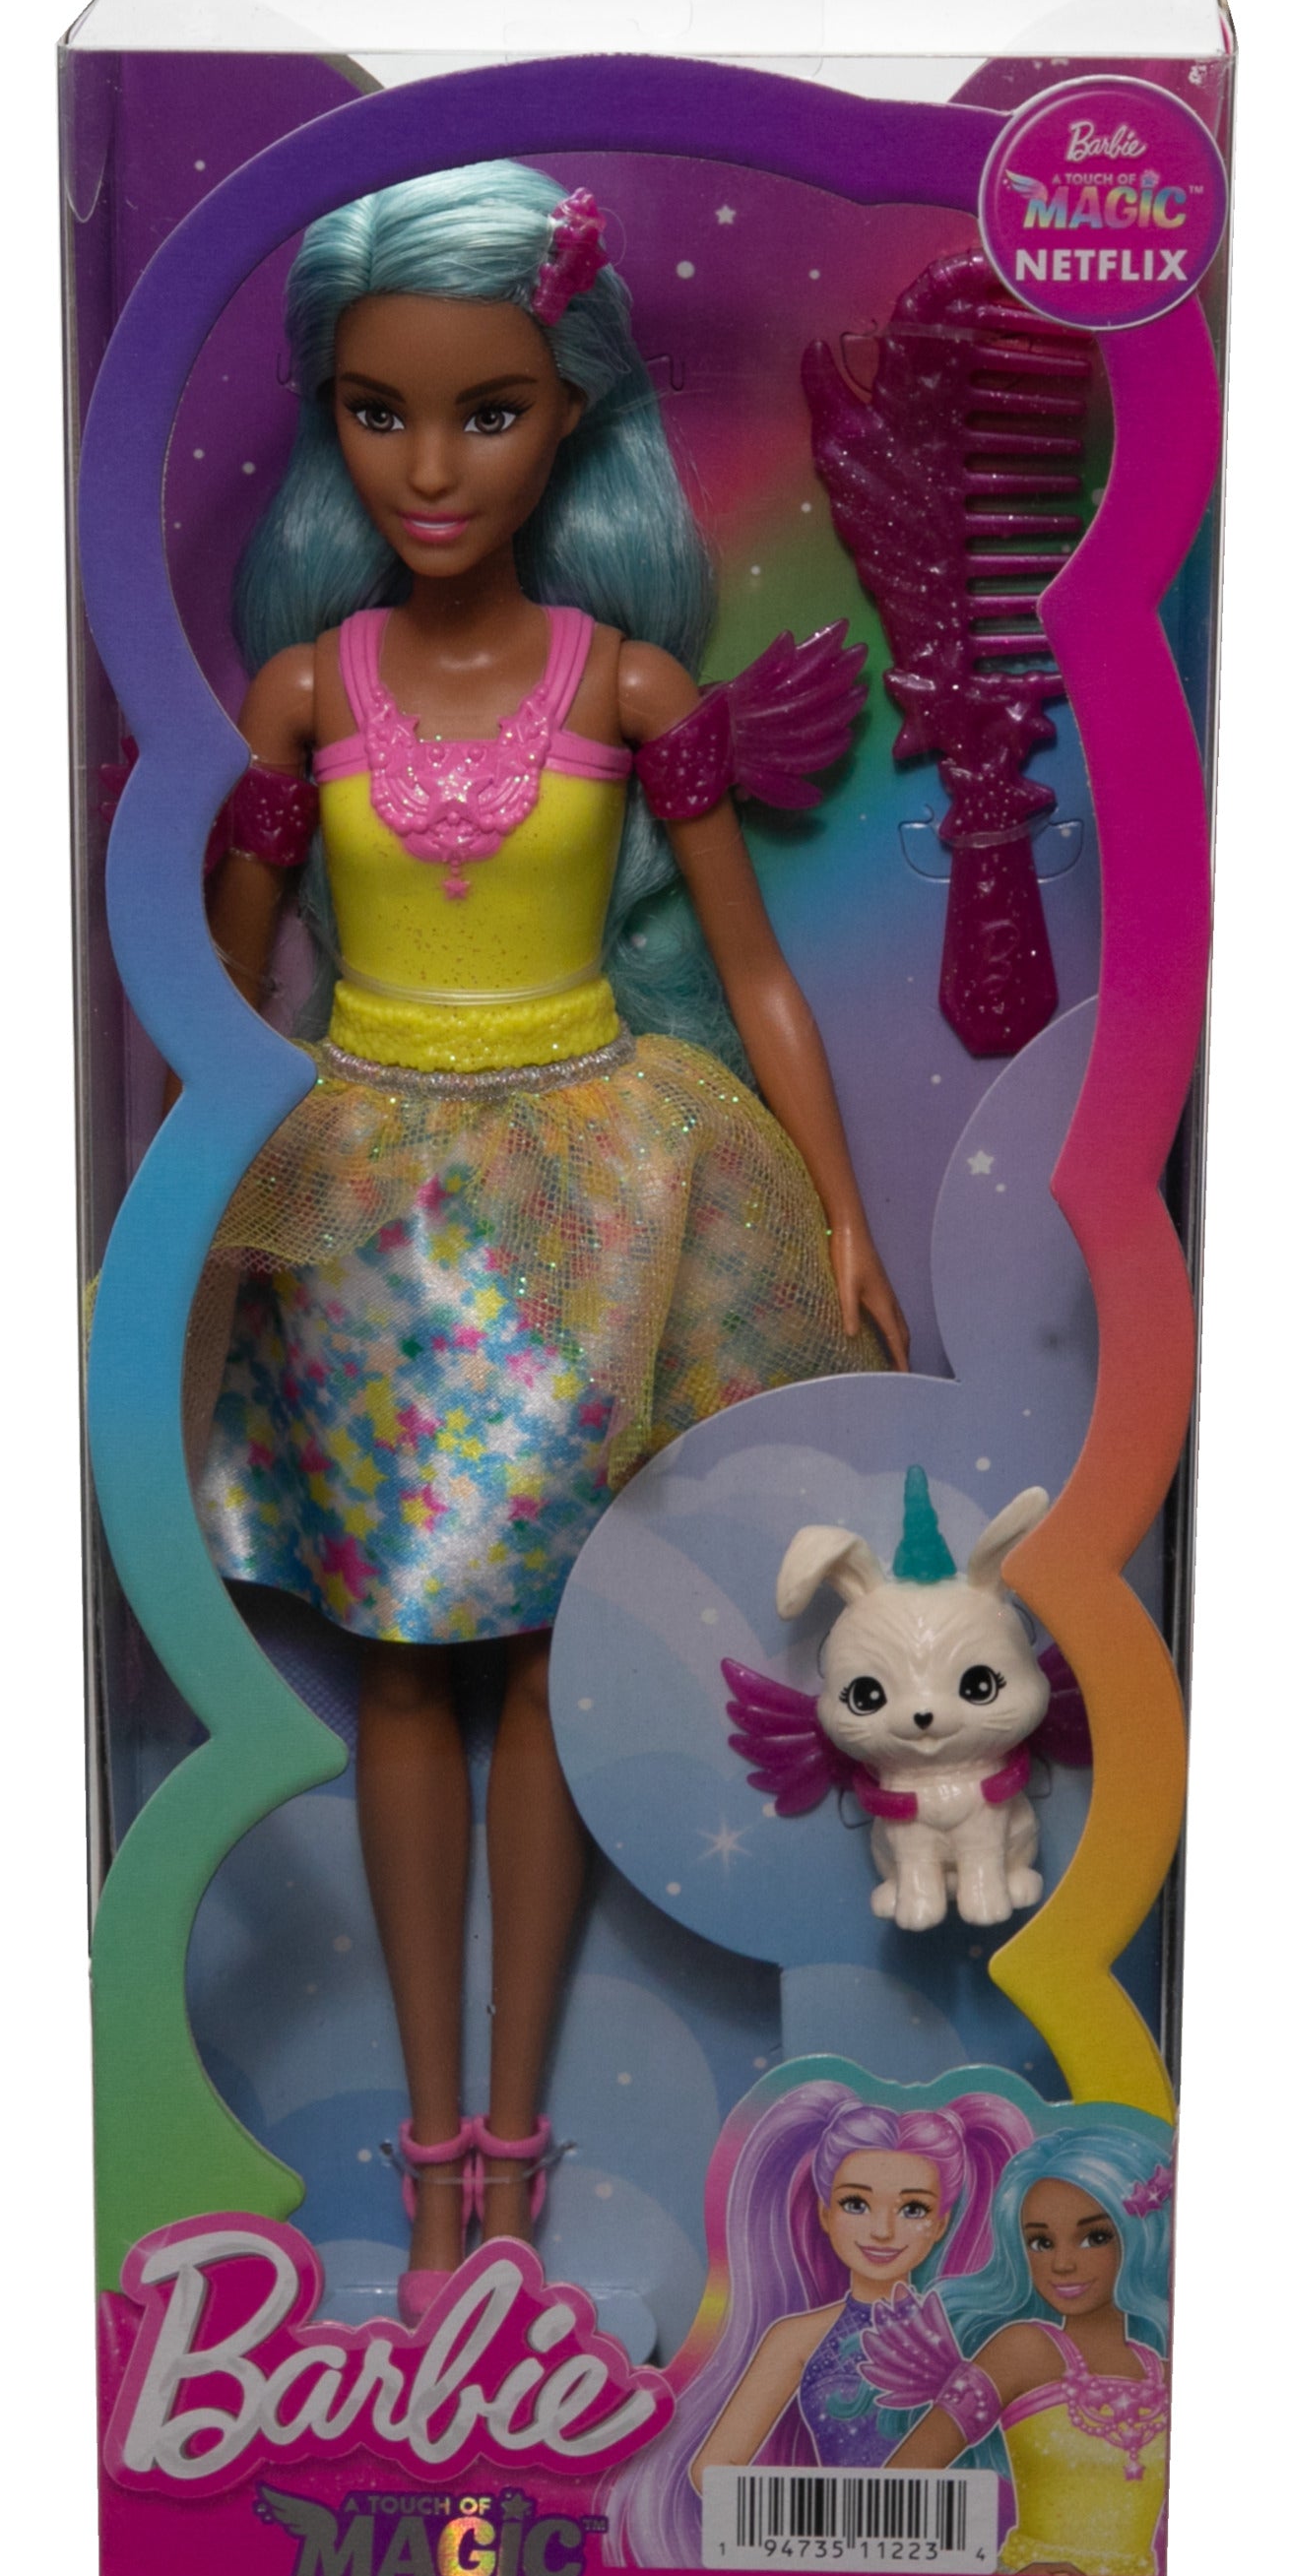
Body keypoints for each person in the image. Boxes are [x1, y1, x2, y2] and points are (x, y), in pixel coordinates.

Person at [191, 163, 907, 2308]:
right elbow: (215, 1000)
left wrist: (840, 1209)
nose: (431, 468)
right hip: (370, 1206)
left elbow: (755, 970)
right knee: (408, 1670)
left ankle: (518, 2152)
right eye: (379, 413)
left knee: (556, 1664)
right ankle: (429, 2166)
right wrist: (188, 1231)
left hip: (594, 1196)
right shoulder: (304, 699)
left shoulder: (634, 691)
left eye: (488, 413)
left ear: (571, 410)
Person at [607, 2082, 1029, 2567]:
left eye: (912, 2209)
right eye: (856, 2204)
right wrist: (816, 2521)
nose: (882, 2230)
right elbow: (714, 2469)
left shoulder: (967, 2331)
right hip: (836, 2558)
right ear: (825, 2215)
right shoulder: (799, 2338)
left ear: (940, 2223)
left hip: (961, 2558)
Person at [866, 2116, 1175, 2576]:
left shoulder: (1165, 2374)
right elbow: (894, 2488)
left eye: (1095, 2237)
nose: (1063, 2263)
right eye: (1041, 2242)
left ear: (1139, 2238)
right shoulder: (1024, 2350)